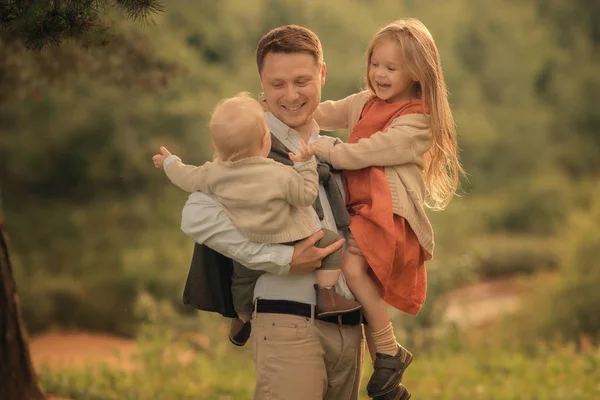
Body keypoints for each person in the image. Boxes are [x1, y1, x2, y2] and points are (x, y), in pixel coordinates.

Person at [175, 25, 383, 400]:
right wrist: (281, 258)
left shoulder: (334, 148)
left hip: (349, 325)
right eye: (277, 85)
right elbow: (197, 216)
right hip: (287, 317)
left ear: (322, 73)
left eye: (302, 80)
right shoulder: (244, 147)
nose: (290, 96)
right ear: (262, 82)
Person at [311, 18, 464, 399]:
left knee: (349, 265)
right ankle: (389, 381)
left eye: (391, 68)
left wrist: (321, 149)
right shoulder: (365, 102)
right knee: (360, 292)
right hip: (361, 209)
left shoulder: (417, 120)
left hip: (387, 215)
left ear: (416, 73)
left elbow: (362, 153)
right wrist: (283, 106)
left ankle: (391, 351)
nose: (379, 74)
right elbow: (325, 112)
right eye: (374, 64)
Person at [151, 93, 360, 346]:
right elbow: (306, 196)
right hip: (290, 238)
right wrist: (305, 166)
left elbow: (186, 177)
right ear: (265, 141)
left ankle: (242, 317)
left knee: (241, 279)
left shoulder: (214, 173)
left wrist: (169, 162)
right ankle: (328, 295)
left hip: (251, 240)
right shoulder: (278, 173)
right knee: (330, 244)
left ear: (217, 147)